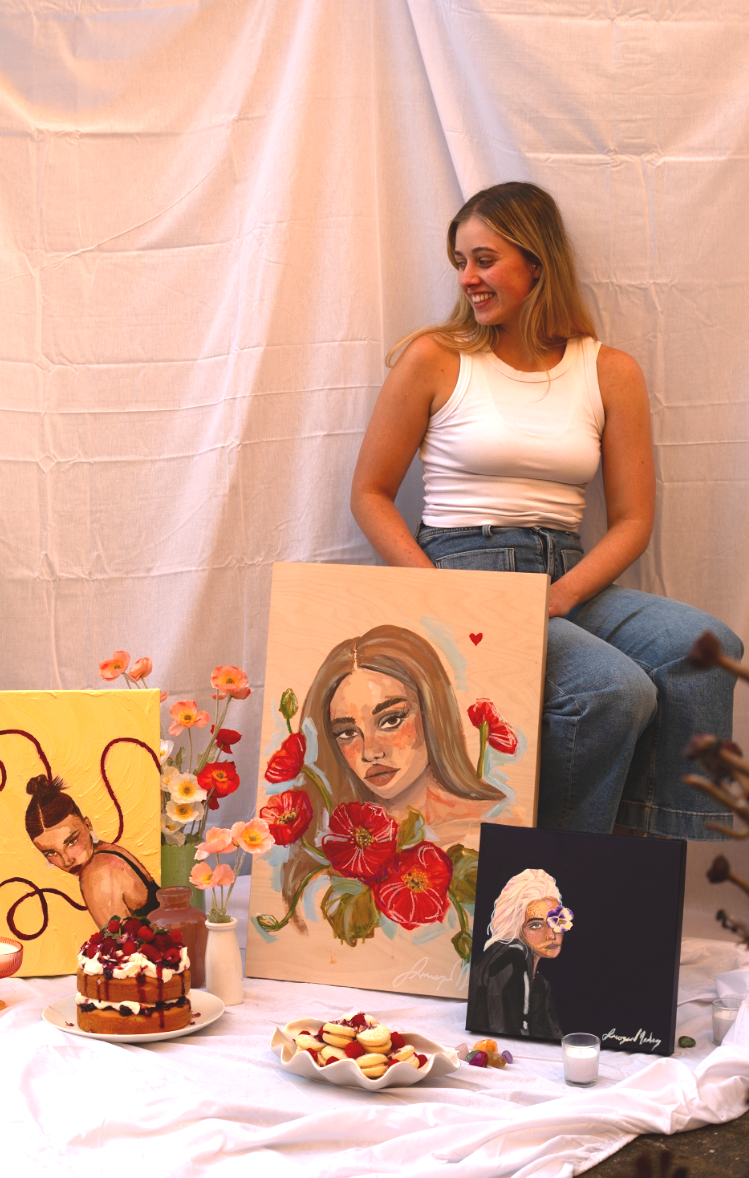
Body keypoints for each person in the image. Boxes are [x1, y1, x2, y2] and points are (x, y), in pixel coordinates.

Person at [350, 180, 742, 839]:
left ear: (536, 263)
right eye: (459, 261)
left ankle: (644, 852)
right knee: (611, 692)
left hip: (568, 573)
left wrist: (559, 596)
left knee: (706, 650)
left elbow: (632, 521)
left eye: (483, 258)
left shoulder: (608, 370)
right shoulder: (435, 358)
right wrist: (438, 595)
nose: (467, 277)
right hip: (463, 567)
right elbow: (368, 495)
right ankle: (543, 874)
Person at [278, 624, 504, 919]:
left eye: (391, 720)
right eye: (347, 732)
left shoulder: (497, 826)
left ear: (431, 711)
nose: (371, 751)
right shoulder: (324, 846)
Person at [25, 774, 159, 927]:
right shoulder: (111, 853)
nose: (67, 860)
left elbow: (121, 947)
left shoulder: (96, 872)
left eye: (72, 841)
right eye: (50, 853)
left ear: (88, 825)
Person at [468, 867, 568, 1039]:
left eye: (555, 921)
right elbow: (509, 1037)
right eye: (536, 925)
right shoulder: (512, 957)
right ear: (515, 926)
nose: (551, 935)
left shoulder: (540, 984)